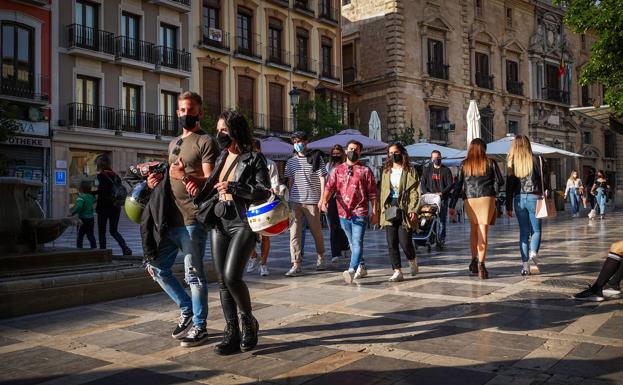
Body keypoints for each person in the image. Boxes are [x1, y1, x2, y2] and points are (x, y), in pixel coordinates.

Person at [144, 91, 218, 347]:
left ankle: (200, 326)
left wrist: (186, 175)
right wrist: (156, 182)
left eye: (191, 109)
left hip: (192, 219)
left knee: (194, 276)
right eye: (182, 110)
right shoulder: (173, 143)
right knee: (156, 267)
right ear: (177, 113)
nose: (186, 114)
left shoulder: (205, 141)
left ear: (200, 112)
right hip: (169, 218)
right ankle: (186, 308)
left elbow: (211, 181)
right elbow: (171, 177)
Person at [194, 110, 271, 355]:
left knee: (232, 276)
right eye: (218, 130)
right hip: (220, 221)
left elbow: (263, 191)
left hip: (243, 222)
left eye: (224, 130)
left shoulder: (254, 159)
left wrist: (234, 186)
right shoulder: (221, 158)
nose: (219, 135)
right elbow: (210, 187)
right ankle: (231, 332)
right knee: (222, 281)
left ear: (236, 131)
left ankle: (248, 321)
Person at [320, 140, 378, 284]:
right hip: (343, 212)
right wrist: (324, 201)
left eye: (356, 149)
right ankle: (362, 266)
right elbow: (329, 187)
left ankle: (351, 269)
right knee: (352, 243)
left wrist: (375, 212)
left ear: (360, 152)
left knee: (357, 241)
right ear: (346, 151)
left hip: (360, 211)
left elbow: (373, 194)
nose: (353, 151)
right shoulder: (337, 170)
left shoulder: (365, 171)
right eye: (351, 148)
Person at [450, 138, 503, 280]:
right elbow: (500, 181)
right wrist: (494, 193)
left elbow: (458, 185)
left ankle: (473, 260)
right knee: (483, 231)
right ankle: (482, 265)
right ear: (484, 149)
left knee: (473, 230)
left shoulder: (464, 164)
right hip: (487, 198)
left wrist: (452, 204)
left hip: (470, 199)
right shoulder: (490, 163)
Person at [284, 131, 327, 276]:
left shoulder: (316, 158)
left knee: (316, 232)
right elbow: (290, 181)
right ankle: (296, 263)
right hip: (295, 201)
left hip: (312, 201)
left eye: (300, 141)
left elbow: (322, 179)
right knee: (294, 233)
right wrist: (287, 200)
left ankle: (320, 255)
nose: (298, 144)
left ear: (306, 142)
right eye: (295, 141)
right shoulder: (290, 162)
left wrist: (322, 199)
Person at [506, 135, 548, 276]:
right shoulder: (537, 159)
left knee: (523, 233)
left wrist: (508, 206)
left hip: (518, 199)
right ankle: (533, 252)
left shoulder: (511, 162)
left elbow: (509, 186)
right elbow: (544, 180)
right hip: (534, 197)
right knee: (535, 231)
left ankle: (525, 267)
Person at [379, 142, 420, 282]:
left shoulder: (410, 170)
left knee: (405, 242)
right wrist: (381, 210)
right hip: (390, 206)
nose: (393, 155)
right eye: (390, 153)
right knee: (391, 241)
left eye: (395, 152)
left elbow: (415, 191)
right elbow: (383, 191)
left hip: (405, 207)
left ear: (402, 153)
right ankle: (397, 271)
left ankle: (412, 259)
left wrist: (413, 209)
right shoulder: (386, 171)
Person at [247, 139, 280, 277]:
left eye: (254, 149)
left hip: (265, 203)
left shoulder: (270, 164)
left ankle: (263, 264)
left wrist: (273, 193)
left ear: (259, 150)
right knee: (246, 235)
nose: (251, 152)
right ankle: (254, 257)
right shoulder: (245, 164)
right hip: (248, 203)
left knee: (265, 235)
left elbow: (275, 184)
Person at [95, 154, 132, 255]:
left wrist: (92, 193)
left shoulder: (100, 176)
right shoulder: (115, 176)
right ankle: (124, 247)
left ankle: (103, 252)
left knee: (102, 231)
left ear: (99, 165)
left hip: (103, 207)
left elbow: (101, 192)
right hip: (115, 207)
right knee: (113, 230)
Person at [420, 150, 453, 246]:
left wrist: (442, 193)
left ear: (441, 157)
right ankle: (432, 237)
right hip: (430, 199)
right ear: (431, 159)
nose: (436, 159)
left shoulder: (446, 170)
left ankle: (441, 238)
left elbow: (450, 184)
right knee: (430, 219)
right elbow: (423, 183)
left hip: (442, 198)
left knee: (442, 220)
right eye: (434, 158)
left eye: (438, 157)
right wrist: (426, 193)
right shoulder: (427, 170)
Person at [325, 144, 350, 264]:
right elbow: (326, 183)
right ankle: (335, 253)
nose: (335, 155)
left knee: (344, 224)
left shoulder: (347, 165)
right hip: (332, 198)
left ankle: (345, 246)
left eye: (338, 153)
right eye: (333, 153)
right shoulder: (328, 166)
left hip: (345, 198)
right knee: (333, 226)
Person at [71, 180, 97, 249]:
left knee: (80, 235)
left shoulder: (81, 198)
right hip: (91, 218)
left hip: (82, 219)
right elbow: (94, 200)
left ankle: (79, 249)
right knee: (90, 234)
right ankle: (94, 248)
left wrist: (72, 213)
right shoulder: (91, 197)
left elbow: (78, 207)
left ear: (81, 189)